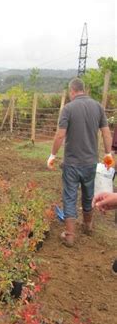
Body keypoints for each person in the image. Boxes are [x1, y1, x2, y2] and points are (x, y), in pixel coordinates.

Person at [47, 78, 113, 247]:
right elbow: (106, 133)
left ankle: (69, 236)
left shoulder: (68, 109)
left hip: (72, 163)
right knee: (88, 192)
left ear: (72, 91)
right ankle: (88, 226)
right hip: (90, 162)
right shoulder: (98, 107)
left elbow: (60, 135)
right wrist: (108, 154)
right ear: (83, 90)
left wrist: (52, 155)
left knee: (69, 196)